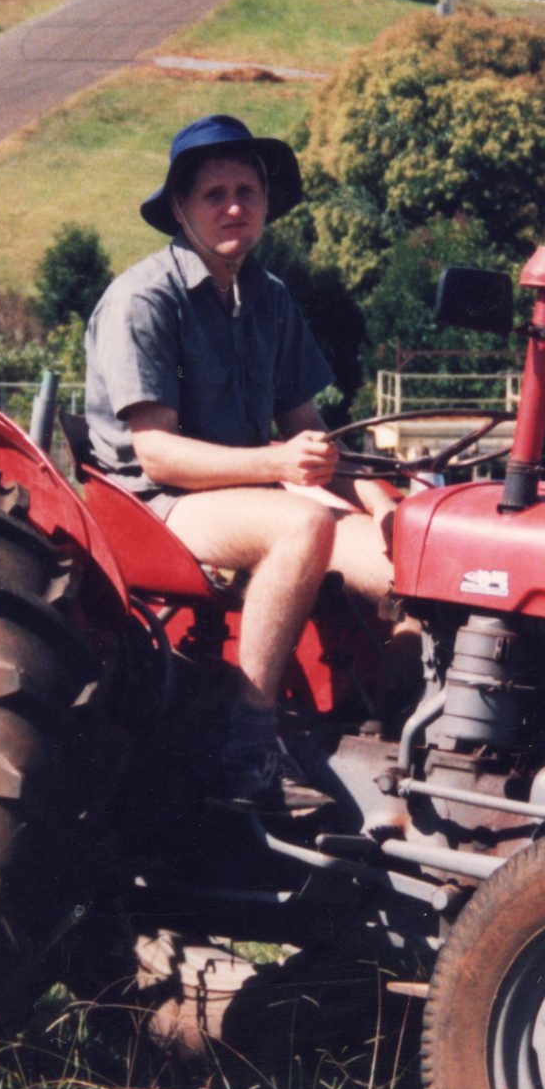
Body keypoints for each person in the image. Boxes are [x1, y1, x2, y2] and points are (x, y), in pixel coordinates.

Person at [83, 114, 393, 798]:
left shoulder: (269, 299)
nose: (233, 207)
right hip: (152, 506)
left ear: (266, 203)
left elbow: (308, 429)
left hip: (248, 494)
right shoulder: (144, 299)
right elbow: (158, 455)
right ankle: (250, 744)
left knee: (411, 556)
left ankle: (404, 724)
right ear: (180, 209)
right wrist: (280, 467)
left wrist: (385, 501)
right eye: (214, 194)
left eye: (246, 192)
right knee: (303, 524)